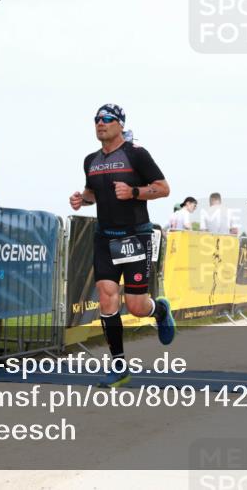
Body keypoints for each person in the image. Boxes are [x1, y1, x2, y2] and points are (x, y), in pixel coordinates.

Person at [69, 104, 175, 387]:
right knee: (106, 296)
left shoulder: (136, 154)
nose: (100, 124)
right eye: (96, 120)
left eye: (106, 119)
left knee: (137, 307)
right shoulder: (90, 160)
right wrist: (83, 199)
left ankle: (160, 310)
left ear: (119, 124)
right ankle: (118, 366)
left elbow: (164, 188)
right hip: (104, 236)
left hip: (135, 237)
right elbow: (93, 192)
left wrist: (135, 192)